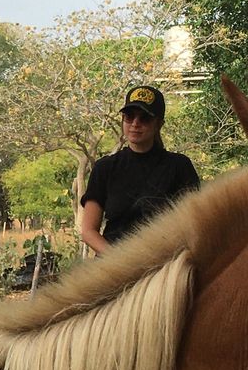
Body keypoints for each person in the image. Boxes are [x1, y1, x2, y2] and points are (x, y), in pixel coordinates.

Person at [75, 85, 201, 254]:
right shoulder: (105, 167)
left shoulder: (179, 166)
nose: (135, 123)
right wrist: (119, 260)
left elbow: (192, 224)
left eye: (145, 118)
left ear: (159, 124)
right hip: (113, 263)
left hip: (164, 262)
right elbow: (89, 232)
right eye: (129, 116)